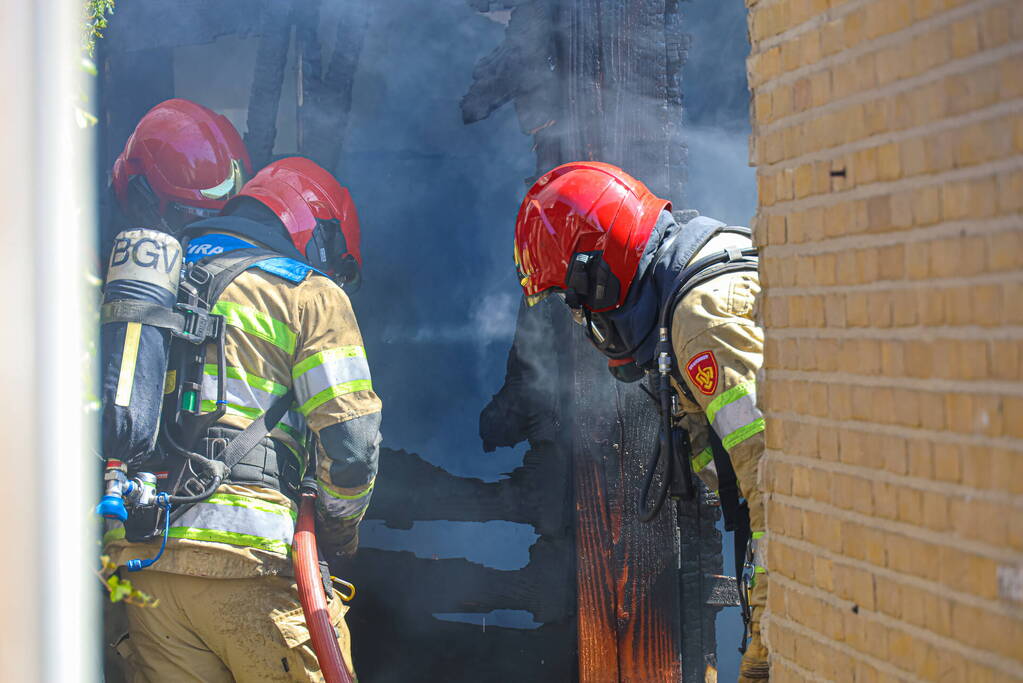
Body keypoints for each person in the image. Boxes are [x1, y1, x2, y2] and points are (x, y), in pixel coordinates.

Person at [102, 156, 380, 682]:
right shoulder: (309, 293)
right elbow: (352, 445)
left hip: (144, 570)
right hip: (249, 567)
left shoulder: (159, 278)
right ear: (317, 231)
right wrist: (340, 530)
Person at [512, 161, 768, 681]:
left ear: (600, 276)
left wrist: (769, 629)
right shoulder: (687, 299)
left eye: (574, 301)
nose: (581, 321)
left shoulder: (700, 325)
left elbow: (780, 486)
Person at [111, 98, 253, 239]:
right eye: (196, 220)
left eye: (224, 220)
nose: (211, 238)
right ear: (143, 199)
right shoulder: (93, 245)